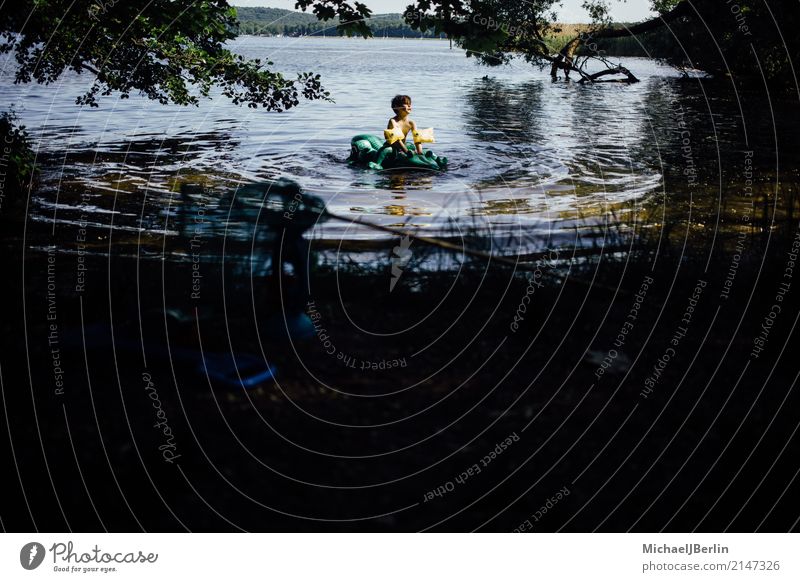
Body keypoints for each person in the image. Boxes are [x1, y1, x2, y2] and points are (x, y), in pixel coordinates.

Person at [370, 95, 435, 169]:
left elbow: (417, 140)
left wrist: (419, 152)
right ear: (397, 107)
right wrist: (406, 151)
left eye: (410, 104)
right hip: (392, 146)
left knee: (420, 149)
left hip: (403, 146)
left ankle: (435, 159)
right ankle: (377, 164)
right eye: (406, 104)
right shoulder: (393, 121)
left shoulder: (411, 123)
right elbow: (397, 139)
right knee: (386, 150)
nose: (409, 105)